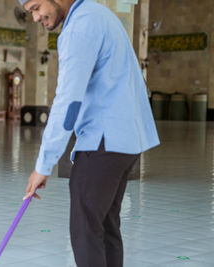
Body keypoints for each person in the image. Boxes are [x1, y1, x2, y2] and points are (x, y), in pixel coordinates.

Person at [19, 0, 160, 266]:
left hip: (104, 141)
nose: (36, 17)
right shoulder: (99, 14)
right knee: (106, 226)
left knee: (85, 230)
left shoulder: (80, 26)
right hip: (127, 140)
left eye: (37, 7)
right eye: (30, 12)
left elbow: (68, 101)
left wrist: (44, 164)